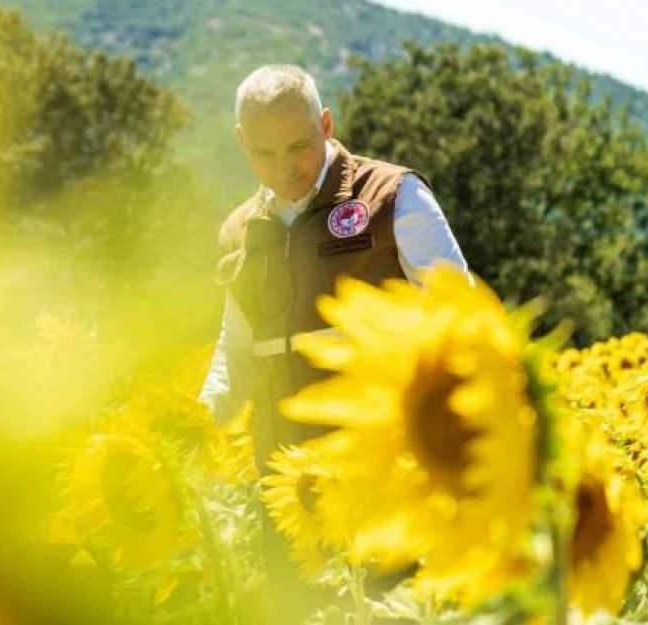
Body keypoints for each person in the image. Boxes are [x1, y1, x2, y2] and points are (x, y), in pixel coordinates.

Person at [197, 64, 471, 623]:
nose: (284, 167)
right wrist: (197, 426)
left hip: (384, 464)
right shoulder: (239, 231)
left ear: (326, 123)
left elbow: (459, 316)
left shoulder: (393, 195)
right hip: (286, 478)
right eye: (263, 153)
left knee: (398, 608)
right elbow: (237, 349)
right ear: (240, 143)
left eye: (298, 146)